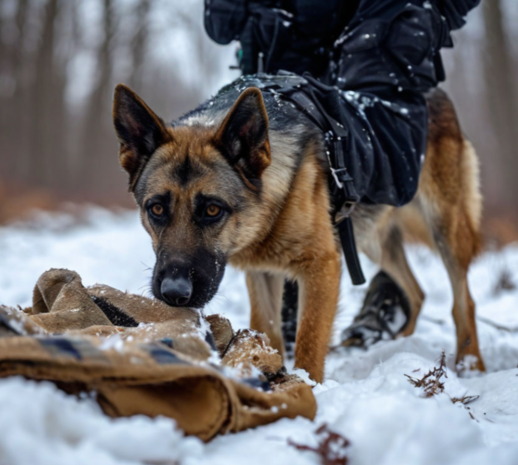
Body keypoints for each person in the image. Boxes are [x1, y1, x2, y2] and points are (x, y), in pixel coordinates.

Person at [203, 0, 481, 349]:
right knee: (264, 205)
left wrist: (429, 13)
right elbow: (219, 25)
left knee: (445, 230)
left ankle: (460, 324)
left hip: (370, 78)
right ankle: (287, 327)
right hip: (284, 81)